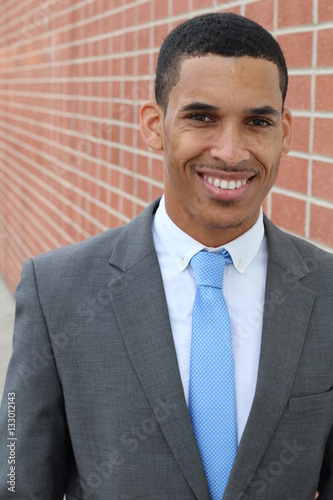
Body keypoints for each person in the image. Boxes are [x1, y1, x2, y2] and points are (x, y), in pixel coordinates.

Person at [0, 12, 332, 500]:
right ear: (155, 126)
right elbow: (16, 479)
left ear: (284, 131)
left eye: (257, 122)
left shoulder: (326, 291)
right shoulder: (57, 292)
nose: (231, 151)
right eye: (202, 117)